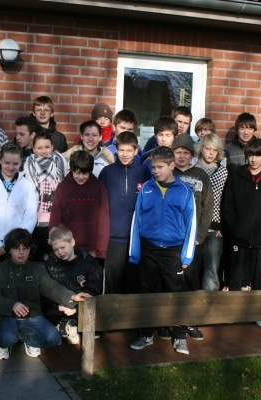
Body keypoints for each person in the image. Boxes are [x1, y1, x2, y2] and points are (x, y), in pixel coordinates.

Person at [129, 146, 196, 355]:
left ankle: (180, 336)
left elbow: (192, 224)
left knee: (176, 294)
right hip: (149, 249)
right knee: (148, 293)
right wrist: (135, 253)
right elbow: (136, 221)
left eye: (160, 167)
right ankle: (146, 333)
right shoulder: (146, 189)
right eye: (153, 167)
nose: (155, 171)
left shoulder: (185, 191)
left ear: (172, 165)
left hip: (173, 251)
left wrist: (186, 256)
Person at [0, 228, 91, 359]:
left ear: (30, 250)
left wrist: (73, 296)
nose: (21, 252)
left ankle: (28, 339)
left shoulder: (37, 268)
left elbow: (52, 288)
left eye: (25, 248)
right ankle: (3, 345)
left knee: (54, 338)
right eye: (16, 248)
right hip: (7, 316)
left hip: (32, 315)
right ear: (9, 250)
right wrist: (12, 305)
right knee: (7, 337)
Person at [222, 138, 261, 327]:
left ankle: (258, 313)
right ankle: (233, 312)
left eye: (258, 156)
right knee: (235, 276)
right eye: (251, 155)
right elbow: (228, 206)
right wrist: (235, 228)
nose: (254, 159)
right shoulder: (236, 177)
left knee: (259, 277)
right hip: (238, 237)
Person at [171, 134, 214, 340]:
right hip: (172, 239)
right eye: (178, 152)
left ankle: (190, 321)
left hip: (193, 239)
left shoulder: (200, 175)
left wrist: (200, 236)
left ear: (192, 155)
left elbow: (207, 208)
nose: (181, 156)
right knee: (171, 279)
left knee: (191, 279)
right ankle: (169, 322)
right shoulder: (168, 173)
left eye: (185, 152)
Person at [99, 131, 151, 294]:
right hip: (113, 239)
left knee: (133, 284)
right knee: (112, 284)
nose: (125, 154)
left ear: (136, 151)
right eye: (121, 150)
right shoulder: (107, 172)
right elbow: (100, 206)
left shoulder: (144, 172)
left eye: (129, 150)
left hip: (136, 238)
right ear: (116, 150)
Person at [0, 143, 38, 267]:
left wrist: (18, 242)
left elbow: (30, 216)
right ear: (0, 160)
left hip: (16, 247)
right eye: (7, 163)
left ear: (21, 162)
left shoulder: (27, 185)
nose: (11, 167)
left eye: (15, 163)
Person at [42, 226, 102, 345]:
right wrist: (58, 305)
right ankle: (61, 325)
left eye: (63, 247)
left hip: (79, 306)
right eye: (56, 250)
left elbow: (94, 289)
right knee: (46, 311)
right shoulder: (49, 265)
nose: (60, 252)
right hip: (58, 307)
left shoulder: (88, 263)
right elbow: (45, 290)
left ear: (72, 242)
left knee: (93, 308)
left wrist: (76, 307)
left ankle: (73, 325)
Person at [50, 150, 110, 258]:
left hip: (92, 249)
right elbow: (55, 218)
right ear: (71, 170)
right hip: (67, 248)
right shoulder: (63, 187)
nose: (81, 177)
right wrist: (55, 243)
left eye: (85, 173)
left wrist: (101, 250)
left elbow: (103, 220)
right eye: (77, 173)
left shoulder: (99, 187)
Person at [23, 131, 69, 261]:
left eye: (47, 147)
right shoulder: (28, 164)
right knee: (39, 255)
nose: (44, 151)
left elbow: (66, 185)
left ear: (52, 146)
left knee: (56, 256)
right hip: (37, 219)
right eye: (39, 148)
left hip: (57, 218)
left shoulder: (61, 161)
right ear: (33, 148)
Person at [195, 134, 228, 292]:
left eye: (215, 150)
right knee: (192, 269)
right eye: (208, 148)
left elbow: (226, 201)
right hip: (195, 227)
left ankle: (209, 304)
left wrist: (224, 225)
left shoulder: (223, 172)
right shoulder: (193, 169)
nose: (211, 153)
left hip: (215, 228)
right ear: (201, 148)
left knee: (212, 270)